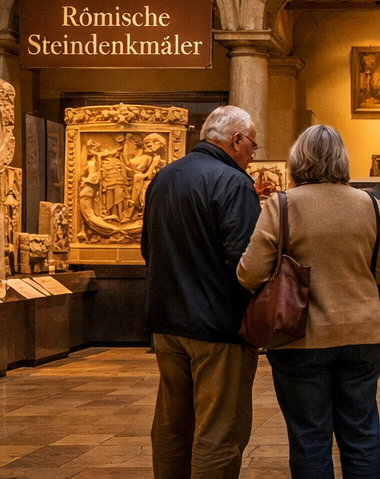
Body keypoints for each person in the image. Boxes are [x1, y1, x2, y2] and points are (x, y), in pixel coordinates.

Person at [239, 125, 380, 479]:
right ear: (342, 159)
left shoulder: (282, 204)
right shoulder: (367, 203)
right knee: (363, 436)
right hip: (361, 336)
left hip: (300, 338)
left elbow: (249, 273)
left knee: (310, 440)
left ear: (298, 159)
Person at [141, 105, 262, 479]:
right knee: (220, 430)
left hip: (166, 325)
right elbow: (246, 261)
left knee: (172, 424)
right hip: (217, 329)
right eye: (252, 145)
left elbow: (147, 248)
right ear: (236, 139)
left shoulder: (163, 177)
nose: (253, 154)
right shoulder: (233, 182)